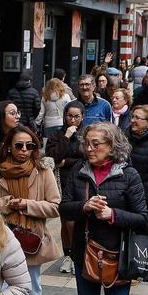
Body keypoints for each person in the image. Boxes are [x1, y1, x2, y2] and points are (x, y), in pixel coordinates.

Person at [59, 123, 148, 295]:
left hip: (117, 257)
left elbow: (143, 219)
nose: (89, 149)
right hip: (84, 254)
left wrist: (111, 215)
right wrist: (84, 207)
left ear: (112, 146)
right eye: (86, 143)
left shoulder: (129, 175)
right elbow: (63, 208)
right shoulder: (78, 171)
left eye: (96, 144)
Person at [0, 126, 60, 295]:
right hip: (3, 239)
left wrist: (26, 205)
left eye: (29, 146)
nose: (24, 150)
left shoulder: (42, 171)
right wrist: (5, 204)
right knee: (3, 291)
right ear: (9, 147)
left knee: (31, 288)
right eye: (19, 145)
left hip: (31, 239)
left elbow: (54, 206)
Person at [46, 101, 87, 274]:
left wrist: (67, 161)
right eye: (69, 116)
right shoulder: (57, 135)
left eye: (76, 116)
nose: (72, 120)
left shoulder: (87, 133)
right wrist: (66, 137)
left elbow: (87, 157)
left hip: (82, 181)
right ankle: (68, 254)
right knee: (66, 221)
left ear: (82, 117)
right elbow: (53, 156)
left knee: (78, 221)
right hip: (62, 182)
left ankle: (80, 253)